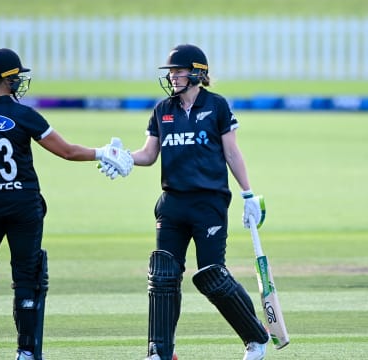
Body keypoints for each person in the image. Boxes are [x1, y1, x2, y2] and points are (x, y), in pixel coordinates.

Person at [0, 48, 133, 360]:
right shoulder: (24, 115)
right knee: (27, 276)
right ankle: (25, 352)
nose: (20, 81)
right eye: (17, 77)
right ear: (6, 80)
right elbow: (66, 151)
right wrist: (101, 152)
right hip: (23, 206)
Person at [104, 44, 269, 360]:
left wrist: (248, 194)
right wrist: (124, 158)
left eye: (179, 71)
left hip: (209, 203)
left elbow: (232, 152)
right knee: (163, 275)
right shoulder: (162, 109)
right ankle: (159, 352)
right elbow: (149, 154)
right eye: (171, 72)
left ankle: (255, 338)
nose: (173, 77)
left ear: (197, 73)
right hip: (172, 203)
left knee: (212, 275)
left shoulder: (217, 106)